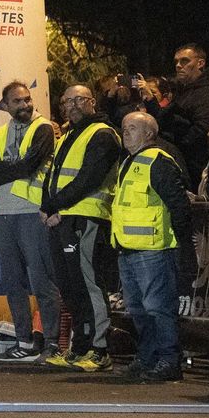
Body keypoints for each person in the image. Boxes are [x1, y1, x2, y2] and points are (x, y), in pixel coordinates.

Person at [39, 85, 123, 370]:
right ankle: (80, 346)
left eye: (78, 100)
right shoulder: (68, 135)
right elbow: (53, 176)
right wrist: (47, 206)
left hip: (86, 217)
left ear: (92, 102)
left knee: (89, 283)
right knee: (69, 285)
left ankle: (100, 349)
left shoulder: (102, 133)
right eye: (66, 101)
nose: (71, 106)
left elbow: (89, 178)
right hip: (63, 217)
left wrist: (53, 206)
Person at [111, 112, 194, 382]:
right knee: (138, 309)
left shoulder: (158, 161)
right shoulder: (128, 162)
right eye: (124, 127)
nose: (125, 132)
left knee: (158, 308)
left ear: (149, 134)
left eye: (132, 128)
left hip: (154, 249)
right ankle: (147, 358)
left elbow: (178, 204)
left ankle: (169, 361)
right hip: (129, 248)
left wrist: (181, 244)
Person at [0, 81, 61, 362]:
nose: (25, 105)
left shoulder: (44, 128)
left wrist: (7, 170)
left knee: (42, 280)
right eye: (17, 101)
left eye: (27, 99)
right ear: (5, 105)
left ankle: (51, 342)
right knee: (12, 281)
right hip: (4, 212)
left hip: (32, 211)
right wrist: (13, 170)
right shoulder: (1, 133)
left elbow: (31, 166)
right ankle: (24, 341)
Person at [144, 43, 209, 188]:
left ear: (200, 63)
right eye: (176, 62)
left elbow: (203, 130)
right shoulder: (184, 91)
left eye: (185, 61)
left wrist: (176, 143)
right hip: (181, 162)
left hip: (194, 168)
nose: (179, 65)